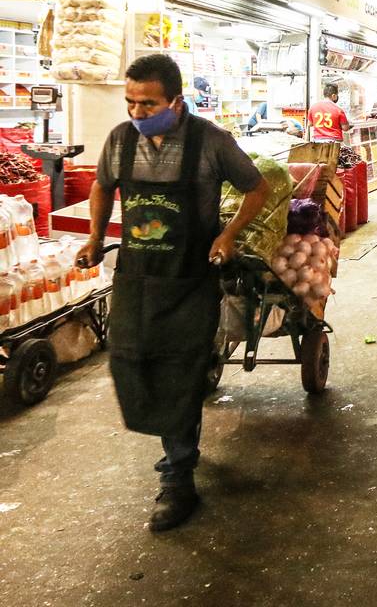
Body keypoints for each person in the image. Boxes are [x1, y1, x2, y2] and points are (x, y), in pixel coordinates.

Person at [75, 54, 269, 531]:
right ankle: (174, 441)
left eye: (148, 104)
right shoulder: (121, 140)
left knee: (179, 371)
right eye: (130, 102)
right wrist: (95, 238)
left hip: (190, 280)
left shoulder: (210, 142)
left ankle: (177, 476)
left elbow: (257, 188)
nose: (137, 112)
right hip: (137, 278)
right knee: (130, 361)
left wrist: (228, 235)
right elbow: (102, 186)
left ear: (176, 101)